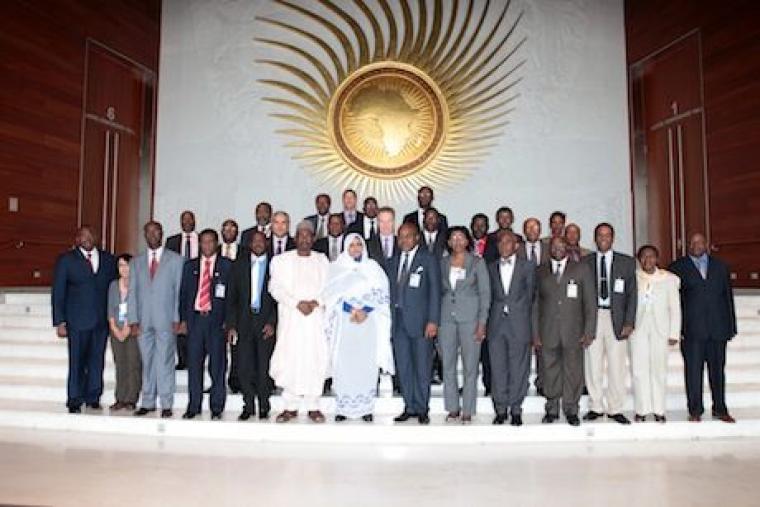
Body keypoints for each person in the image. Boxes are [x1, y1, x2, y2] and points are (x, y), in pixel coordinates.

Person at [323, 233, 393, 422]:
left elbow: (382, 295)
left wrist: (365, 309)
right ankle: (343, 408)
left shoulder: (373, 268)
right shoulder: (336, 268)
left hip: (368, 323)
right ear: (346, 247)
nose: (355, 248)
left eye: (358, 245)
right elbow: (329, 297)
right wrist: (350, 308)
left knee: (366, 364)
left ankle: (366, 408)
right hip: (345, 322)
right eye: (351, 245)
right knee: (344, 364)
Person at [669, 232, 737, 423]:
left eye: (700, 242)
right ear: (687, 246)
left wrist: (731, 327)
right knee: (693, 372)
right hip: (692, 331)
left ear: (706, 244)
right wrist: (676, 329)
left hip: (718, 329)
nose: (697, 245)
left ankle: (720, 409)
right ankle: (695, 410)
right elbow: (673, 302)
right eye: (693, 242)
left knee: (717, 371)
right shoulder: (677, 268)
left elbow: (727, 298)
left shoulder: (721, 267)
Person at [268, 220, 330, 423]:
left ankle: (313, 405)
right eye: (301, 235)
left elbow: (330, 287)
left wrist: (315, 302)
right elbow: (275, 288)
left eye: (308, 236)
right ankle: (290, 406)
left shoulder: (322, 260)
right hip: (292, 320)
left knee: (314, 360)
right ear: (295, 238)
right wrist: (296, 303)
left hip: (314, 321)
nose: (304, 239)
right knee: (291, 360)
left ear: (313, 239)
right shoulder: (281, 260)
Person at [52, 226, 117, 413]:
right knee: (77, 362)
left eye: (90, 235)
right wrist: (60, 321)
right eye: (83, 235)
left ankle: (93, 397)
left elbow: (113, 289)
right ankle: (74, 398)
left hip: (101, 321)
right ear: (77, 238)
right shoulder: (66, 260)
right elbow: (58, 292)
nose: (87, 238)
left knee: (97, 360)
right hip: (76, 321)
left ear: (97, 237)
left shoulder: (108, 259)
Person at [533, 237, 596, 426]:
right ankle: (551, 409)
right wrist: (535, 333)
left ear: (567, 248)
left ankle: (571, 409)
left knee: (573, 372)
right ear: (549, 249)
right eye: (554, 246)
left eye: (562, 246)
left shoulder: (581, 269)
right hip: (548, 330)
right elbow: (535, 304)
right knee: (549, 371)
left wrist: (589, 331)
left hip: (574, 331)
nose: (558, 249)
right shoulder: (540, 270)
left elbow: (590, 303)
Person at [127, 221, 184, 418]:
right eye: (149, 232)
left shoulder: (176, 260)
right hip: (143, 321)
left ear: (162, 234)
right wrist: (132, 319)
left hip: (167, 319)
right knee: (147, 361)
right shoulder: (136, 262)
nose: (152, 235)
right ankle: (148, 401)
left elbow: (178, 292)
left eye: (156, 231)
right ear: (144, 235)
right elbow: (132, 292)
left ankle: (166, 402)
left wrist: (177, 317)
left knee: (165, 360)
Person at [582, 223, 637, 425]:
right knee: (592, 364)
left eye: (607, 235)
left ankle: (615, 408)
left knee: (617, 366)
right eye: (599, 235)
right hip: (593, 318)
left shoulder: (627, 262)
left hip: (618, 320)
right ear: (595, 238)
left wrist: (630, 321)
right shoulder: (585, 262)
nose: (603, 238)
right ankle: (595, 406)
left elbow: (633, 294)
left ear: (612, 238)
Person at [386, 223, 441, 424]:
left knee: (422, 366)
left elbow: (435, 291)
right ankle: (409, 405)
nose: (404, 240)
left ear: (417, 238)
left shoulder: (427, 259)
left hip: (421, 323)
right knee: (404, 366)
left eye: (408, 236)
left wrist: (433, 320)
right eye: (400, 237)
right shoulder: (392, 261)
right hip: (398, 322)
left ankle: (422, 407)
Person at [179, 229, 232, 420]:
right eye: (203, 242)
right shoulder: (190, 266)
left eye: (210, 242)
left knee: (217, 366)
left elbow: (232, 297)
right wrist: (183, 320)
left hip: (216, 322)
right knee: (194, 365)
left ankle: (217, 407)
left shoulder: (227, 266)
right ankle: (194, 406)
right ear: (199, 244)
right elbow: (183, 295)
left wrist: (229, 322)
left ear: (216, 243)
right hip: (195, 321)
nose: (207, 246)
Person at [439, 226, 490, 424]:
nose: (457, 242)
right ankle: (453, 408)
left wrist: (482, 323)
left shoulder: (477, 262)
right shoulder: (443, 263)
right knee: (448, 366)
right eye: (454, 238)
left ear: (467, 241)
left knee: (470, 368)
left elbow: (485, 295)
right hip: (446, 320)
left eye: (461, 238)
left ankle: (468, 410)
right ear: (449, 242)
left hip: (471, 320)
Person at [225, 230, 278, 420]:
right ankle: (248, 405)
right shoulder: (238, 265)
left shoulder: (275, 265)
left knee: (264, 367)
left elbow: (277, 299)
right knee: (244, 366)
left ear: (266, 243)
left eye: (261, 241)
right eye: (254, 241)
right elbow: (231, 298)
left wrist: (273, 322)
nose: (258, 244)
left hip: (266, 323)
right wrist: (231, 325)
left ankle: (264, 405)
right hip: (243, 322)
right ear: (249, 244)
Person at [487, 231, 535, 426]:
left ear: (516, 245)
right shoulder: (490, 267)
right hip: (497, 324)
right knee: (498, 368)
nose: (504, 245)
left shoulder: (527, 267)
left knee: (519, 368)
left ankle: (516, 408)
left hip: (519, 323)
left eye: (508, 242)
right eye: (501, 242)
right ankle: (500, 409)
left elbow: (531, 296)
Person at [629, 245, 681, 422]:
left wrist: (674, 332)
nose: (647, 260)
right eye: (643, 257)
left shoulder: (668, 279)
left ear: (657, 259)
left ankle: (659, 409)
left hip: (661, 329)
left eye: (651, 256)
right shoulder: (633, 277)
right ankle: (642, 409)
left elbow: (675, 308)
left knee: (659, 370)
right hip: (638, 328)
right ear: (639, 259)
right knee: (639, 369)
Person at [107, 253, 141, 411]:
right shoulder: (113, 285)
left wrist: (128, 327)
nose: (124, 268)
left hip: (133, 329)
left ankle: (131, 398)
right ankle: (120, 398)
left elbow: (139, 307)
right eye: (121, 265)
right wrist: (114, 327)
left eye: (127, 265)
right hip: (116, 330)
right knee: (120, 364)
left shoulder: (138, 285)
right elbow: (111, 309)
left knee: (133, 363)